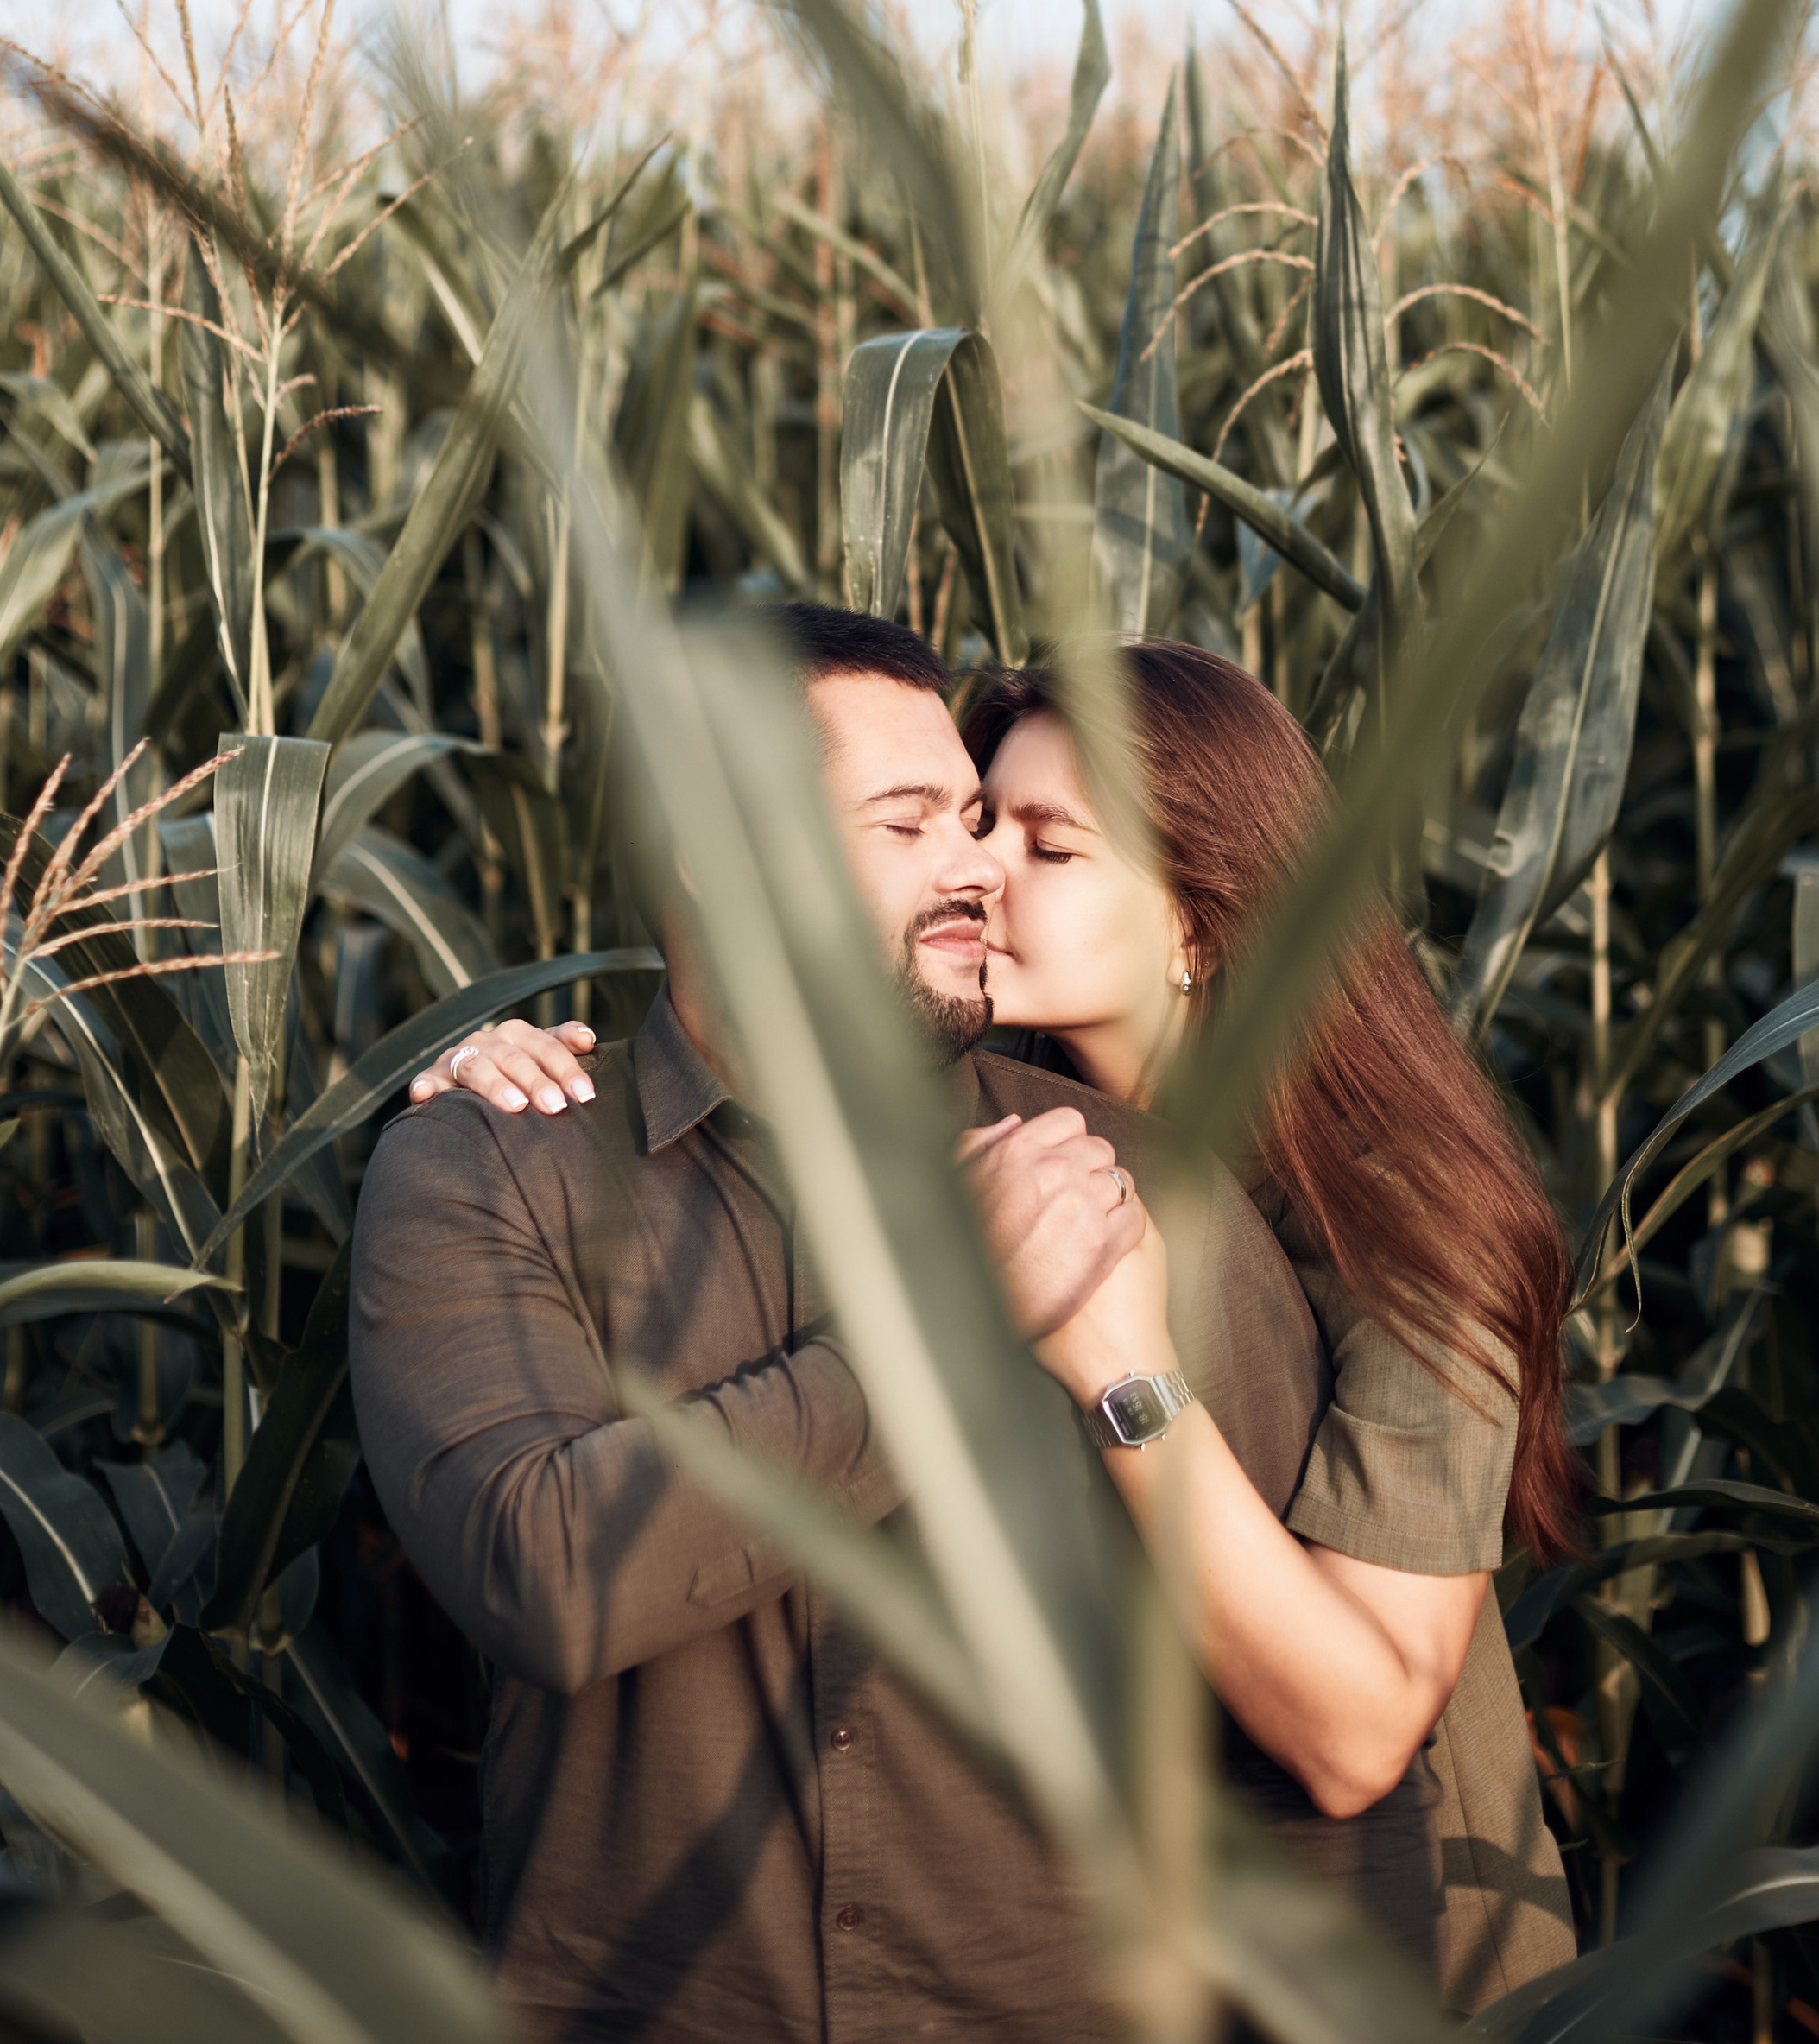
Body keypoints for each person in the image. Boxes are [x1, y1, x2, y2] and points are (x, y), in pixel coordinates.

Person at [433, 625, 1581, 2010]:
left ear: (1198, 925)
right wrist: (525, 1064)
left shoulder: (1398, 1225)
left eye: (1051, 845)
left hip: (1410, 1944)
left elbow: (1355, 1736)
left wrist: (1119, 1361)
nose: (977, 871)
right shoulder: (987, 1097)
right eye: (974, 822)